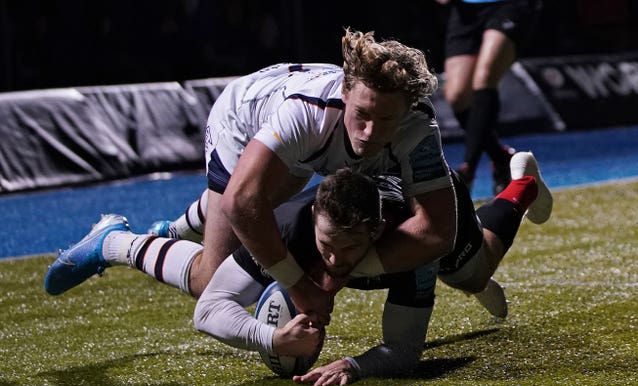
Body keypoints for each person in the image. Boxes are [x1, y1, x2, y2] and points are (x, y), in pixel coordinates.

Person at [46, 28, 458, 326]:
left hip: (297, 142)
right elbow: (242, 204)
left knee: (278, 198)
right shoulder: (307, 115)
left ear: (405, 113)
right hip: (242, 120)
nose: (369, 132)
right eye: (362, 115)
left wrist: (335, 275)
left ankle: (175, 228)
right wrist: (300, 287)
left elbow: (439, 231)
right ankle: (114, 241)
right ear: (346, 93)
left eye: (385, 120)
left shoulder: (417, 128)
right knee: (212, 274)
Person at [43, 150, 553, 386]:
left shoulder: (411, 246)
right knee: (210, 275)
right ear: (314, 219)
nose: (333, 259)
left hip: (437, 200)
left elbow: (404, 351)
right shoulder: (291, 227)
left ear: (374, 234)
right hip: (247, 134)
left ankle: (519, 186)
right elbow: (208, 309)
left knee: (471, 274)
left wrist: (355, 365)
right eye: (325, 245)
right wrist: (271, 340)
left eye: (347, 251)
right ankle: (133, 236)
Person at [433, 0, 542, 194]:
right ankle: (501, 158)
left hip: (508, 6)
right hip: (466, 10)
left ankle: (467, 170)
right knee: (457, 97)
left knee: (485, 76)